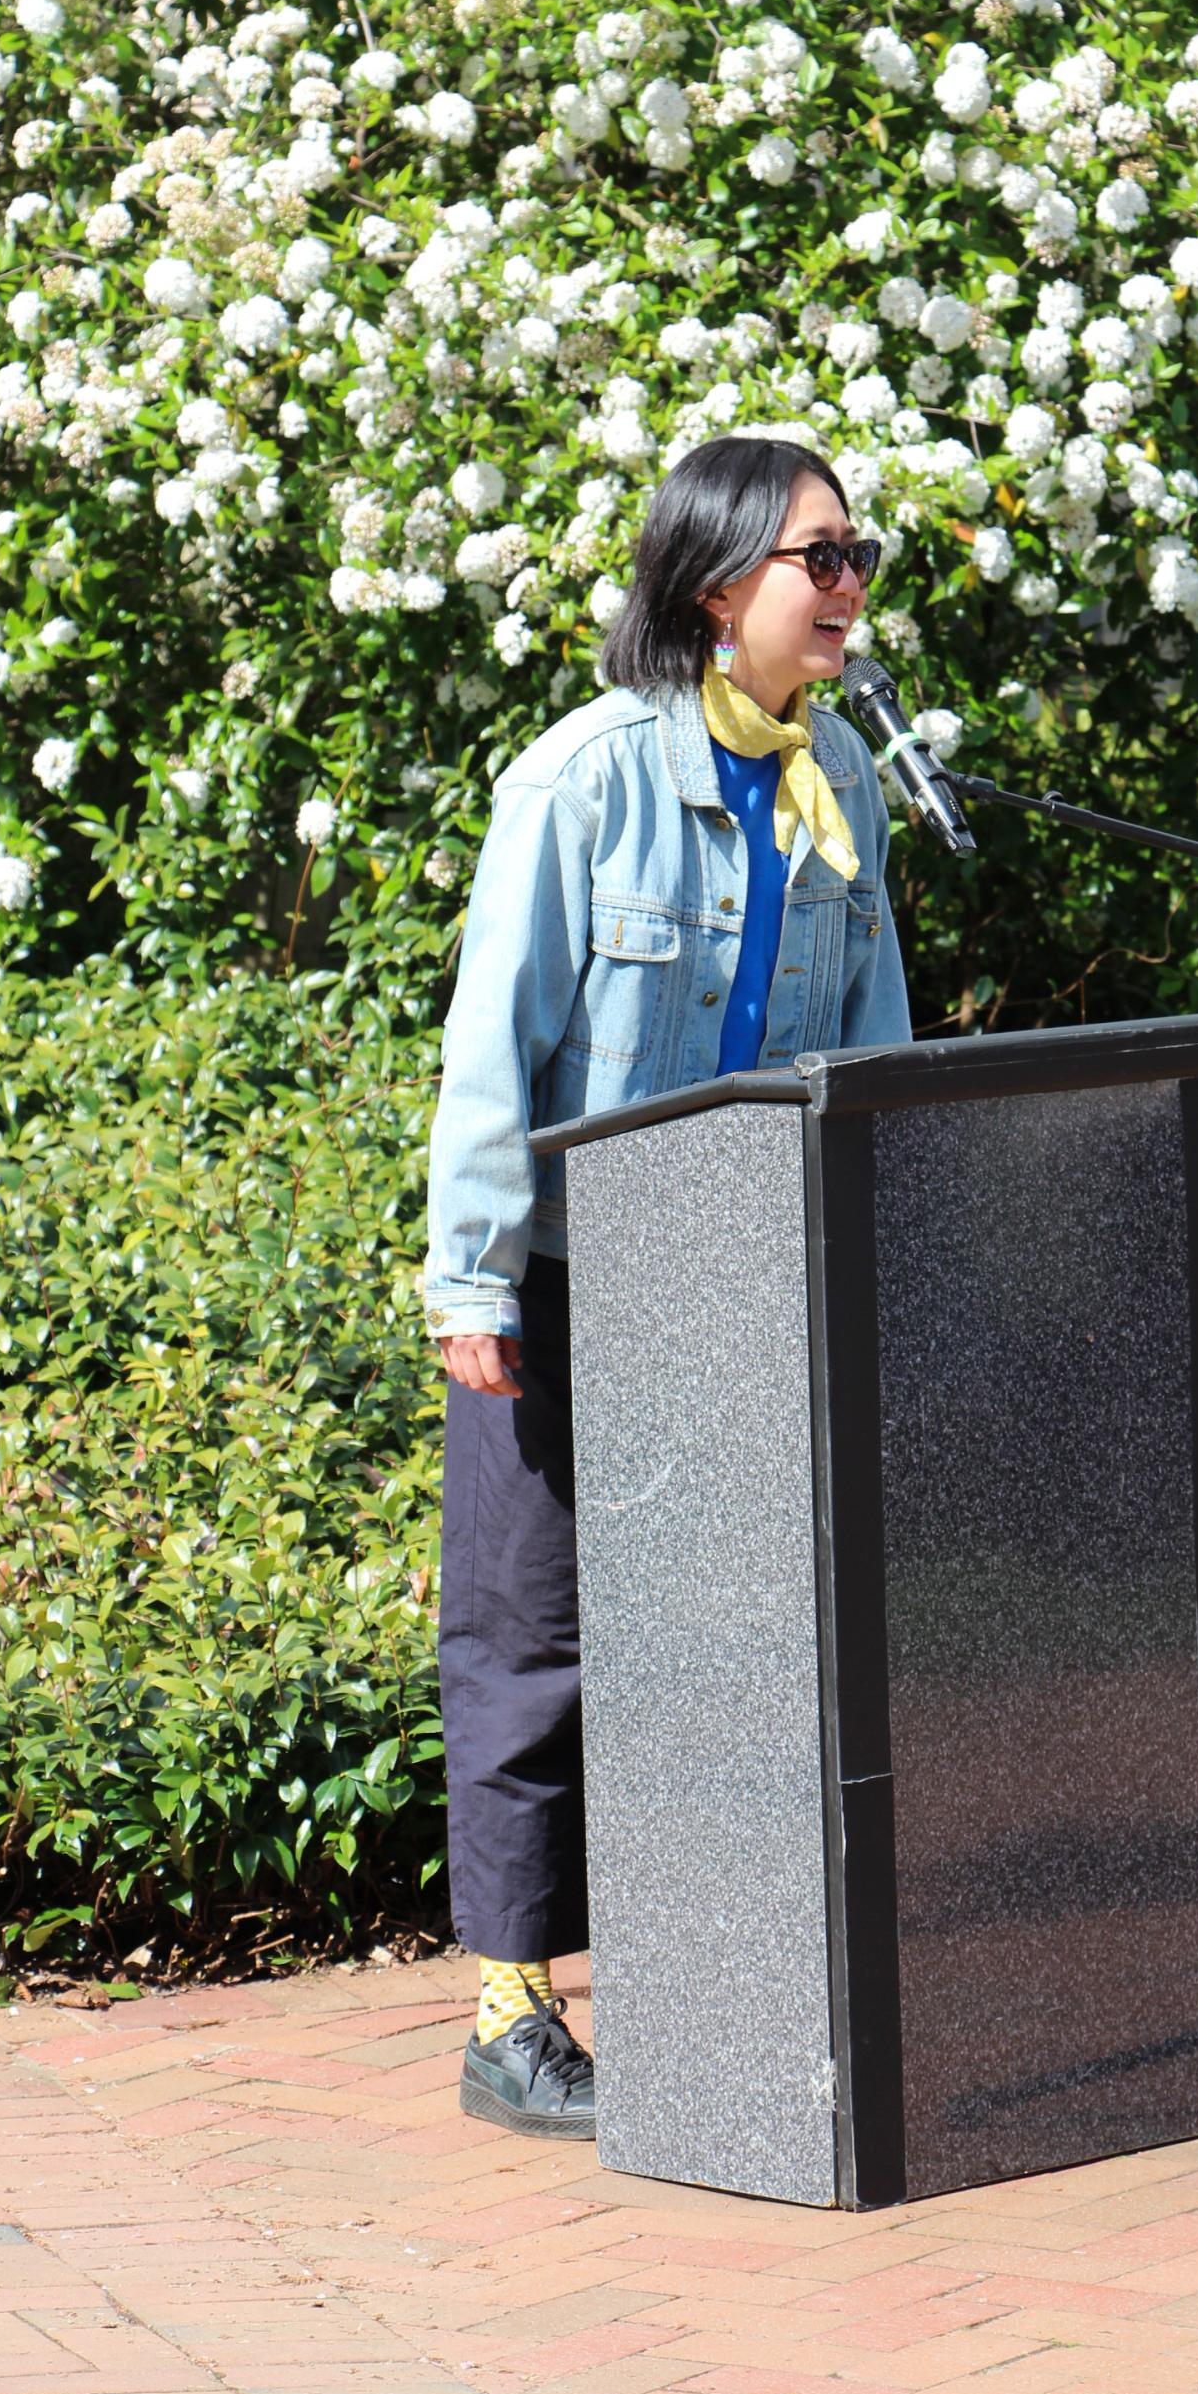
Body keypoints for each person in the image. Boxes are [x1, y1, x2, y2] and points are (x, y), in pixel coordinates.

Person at [422, 434, 913, 2138]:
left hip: (742, 1270)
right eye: (821, 560)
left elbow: (877, 1045)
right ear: (721, 587)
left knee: (733, 1633)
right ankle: (510, 2017)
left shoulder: (836, 778)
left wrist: (884, 1248)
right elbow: (496, 1049)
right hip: (568, 1272)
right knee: (531, 1637)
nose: (851, 589)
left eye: (858, 556)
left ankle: (725, 1971)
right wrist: (470, 1284)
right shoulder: (581, 780)